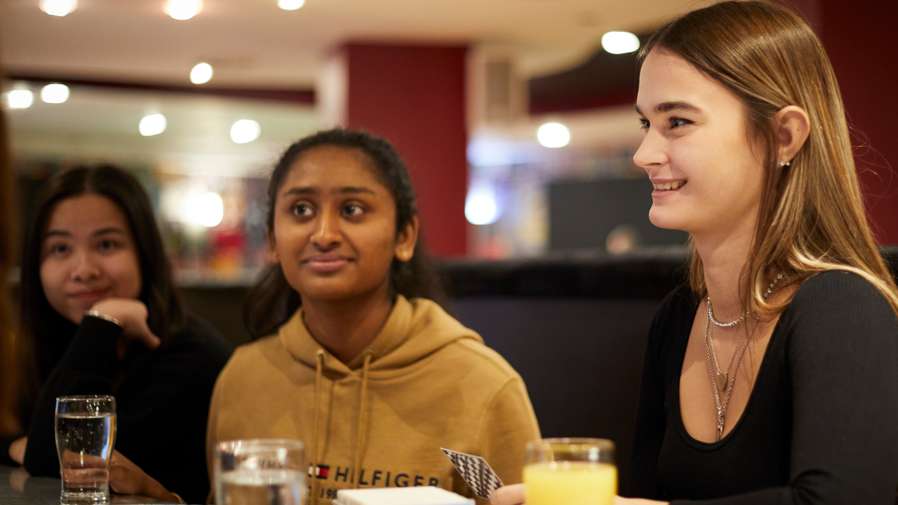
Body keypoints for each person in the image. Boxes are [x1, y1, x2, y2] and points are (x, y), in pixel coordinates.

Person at [491, 1, 898, 505]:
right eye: (645, 124)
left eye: (678, 122)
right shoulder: (678, 318)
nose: (643, 155)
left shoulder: (841, 306)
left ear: (783, 137)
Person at [207, 128, 541, 505]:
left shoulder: (484, 387)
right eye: (301, 210)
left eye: (352, 209)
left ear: (405, 237)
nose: (323, 233)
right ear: (272, 240)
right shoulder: (242, 378)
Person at [9, 165, 233, 503]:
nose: (83, 270)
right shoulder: (40, 343)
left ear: (144, 253)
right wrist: (14, 443)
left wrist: (102, 321)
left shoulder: (190, 356)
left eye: (107, 244)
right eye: (60, 249)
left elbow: (63, 459)